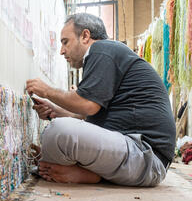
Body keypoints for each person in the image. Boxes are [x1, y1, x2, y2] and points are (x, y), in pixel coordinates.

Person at [26, 13, 175, 186]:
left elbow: (87, 105)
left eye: (65, 41)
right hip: (142, 159)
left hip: (146, 158)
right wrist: (55, 112)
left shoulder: (102, 50)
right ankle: (89, 173)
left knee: (57, 132)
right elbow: (90, 116)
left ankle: (93, 175)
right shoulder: (107, 54)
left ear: (85, 36)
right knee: (55, 132)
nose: (61, 51)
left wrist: (47, 91)